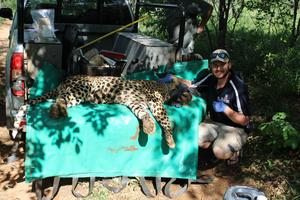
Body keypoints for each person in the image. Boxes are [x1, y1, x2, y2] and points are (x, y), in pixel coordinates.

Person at [159, 49, 251, 165]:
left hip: (236, 129)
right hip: (215, 123)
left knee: (219, 151)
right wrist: (174, 78)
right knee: (191, 135)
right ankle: (216, 146)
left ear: (229, 65)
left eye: (222, 64)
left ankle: (234, 151)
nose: (218, 69)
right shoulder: (211, 78)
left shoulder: (237, 86)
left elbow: (245, 121)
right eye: (215, 65)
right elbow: (192, 85)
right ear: (210, 67)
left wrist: (225, 109)